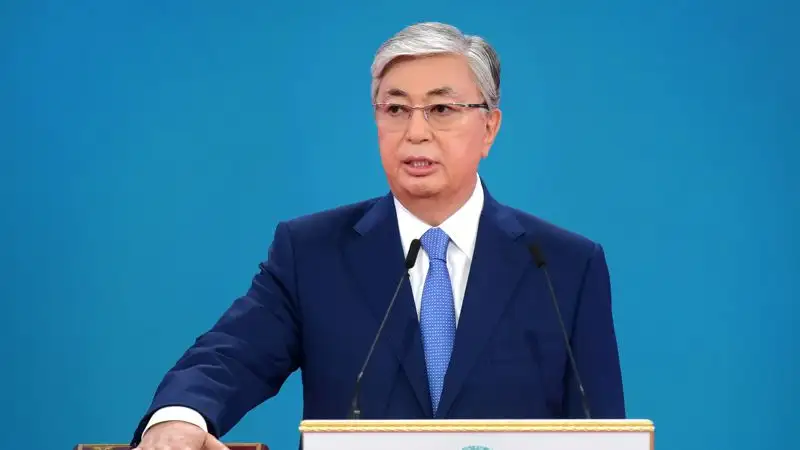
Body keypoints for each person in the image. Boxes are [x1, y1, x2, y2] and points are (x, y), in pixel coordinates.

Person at [130, 21, 625, 450]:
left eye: (441, 109)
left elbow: (601, 428)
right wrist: (180, 416)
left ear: (489, 128)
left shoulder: (563, 265)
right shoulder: (312, 253)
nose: (415, 132)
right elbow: (233, 353)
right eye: (395, 109)